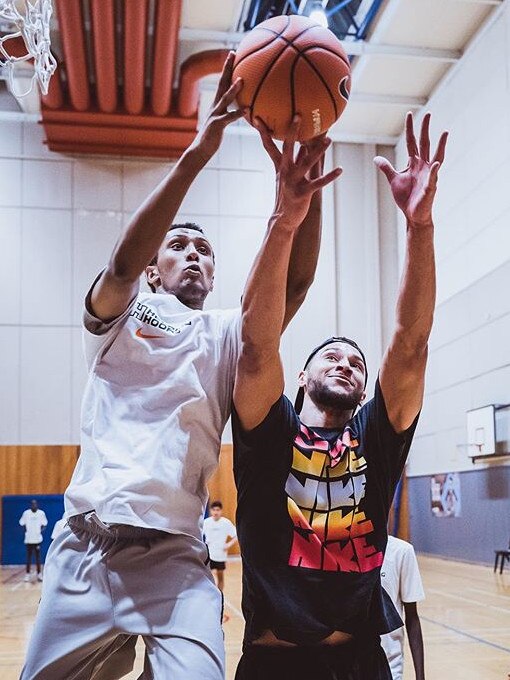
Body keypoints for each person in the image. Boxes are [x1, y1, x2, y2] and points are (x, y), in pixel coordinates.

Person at [20, 53, 334, 680]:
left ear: (213, 273)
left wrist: (305, 178)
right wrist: (199, 149)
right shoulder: (123, 308)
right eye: (179, 245)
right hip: (85, 546)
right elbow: (119, 266)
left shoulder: (224, 330)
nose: (193, 254)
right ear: (157, 265)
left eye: (205, 250)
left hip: (173, 554)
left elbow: (294, 286)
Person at [231, 112, 447, 679]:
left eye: (356, 361)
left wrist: (419, 227)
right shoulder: (268, 433)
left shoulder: (374, 436)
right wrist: (285, 220)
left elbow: (412, 342)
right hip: (273, 664)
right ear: (300, 377)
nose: (348, 364)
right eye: (331, 356)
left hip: (358, 662)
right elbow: (255, 346)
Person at [380, 535, 425, 680]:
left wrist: (420, 677)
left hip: (391, 666)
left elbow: (412, 617)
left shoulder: (402, 551)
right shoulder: (346, 550)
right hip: (351, 665)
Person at [203, 501, 238, 592]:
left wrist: (228, 545)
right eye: (213, 510)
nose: (215, 512)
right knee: (207, 577)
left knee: (220, 576)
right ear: (210, 511)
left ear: (221, 511)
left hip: (220, 555)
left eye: (218, 510)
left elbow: (236, 535)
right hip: (208, 554)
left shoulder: (226, 523)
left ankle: (220, 594)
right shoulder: (206, 522)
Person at [19, 499, 47, 582]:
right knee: (28, 557)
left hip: (37, 539)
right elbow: (22, 523)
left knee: (38, 558)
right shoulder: (26, 513)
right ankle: (27, 574)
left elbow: (44, 524)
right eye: (32, 504)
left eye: (35, 504)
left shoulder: (41, 513)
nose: (34, 505)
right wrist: (28, 532)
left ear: (37, 505)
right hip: (28, 539)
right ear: (31, 505)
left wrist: (38, 531)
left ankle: (39, 574)